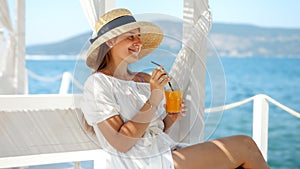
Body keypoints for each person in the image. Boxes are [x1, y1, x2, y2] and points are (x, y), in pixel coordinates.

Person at [80, 8, 270, 169]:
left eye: (139, 36)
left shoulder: (143, 79)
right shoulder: (98, 84)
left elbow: (153, 131)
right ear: (110, 41)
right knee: (246, 146)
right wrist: (154, 97)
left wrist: (170, 118)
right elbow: (122, 142)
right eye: (131, 37)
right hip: (139, 162)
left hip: (164, 151)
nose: (138, 42)